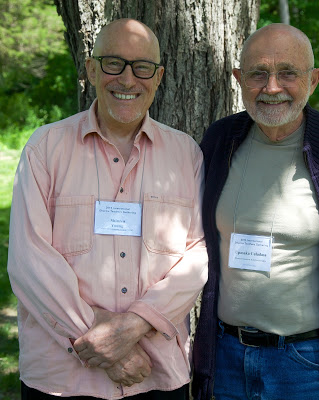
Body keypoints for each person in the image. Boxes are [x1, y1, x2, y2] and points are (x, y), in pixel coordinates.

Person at [192, 23, 319, 400]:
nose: (272, 87)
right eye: (257, 73)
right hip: (225, 354)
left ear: (314, 79)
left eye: (287, 73)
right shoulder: (220, 141)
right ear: (239, 79)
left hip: (307, 362)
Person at [7, 18, 208, 400]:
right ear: (91, 69)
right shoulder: (45, 149)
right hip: (62, 377)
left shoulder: (186, 155)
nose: (128, 80)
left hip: (157, 374)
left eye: (142, 67)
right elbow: (29, 261)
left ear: (159, 75)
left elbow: (198, 256)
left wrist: (131, 327)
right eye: (113, 63)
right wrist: (100, 342)